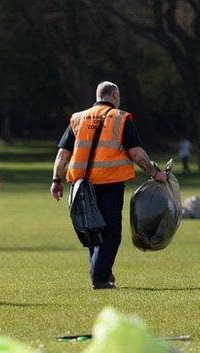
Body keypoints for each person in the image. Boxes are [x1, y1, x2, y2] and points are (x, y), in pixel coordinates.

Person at [49, 81, 168, 290]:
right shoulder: (121, 118)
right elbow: (136, 153)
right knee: (112, 233)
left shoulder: (78, 118)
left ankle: (101, 272)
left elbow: (62, 154)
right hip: (110, 183)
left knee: (92, 230)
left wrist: (56, 181)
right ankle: (100, 278)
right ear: (115, 95)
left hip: (81, 185)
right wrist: (155, 173)